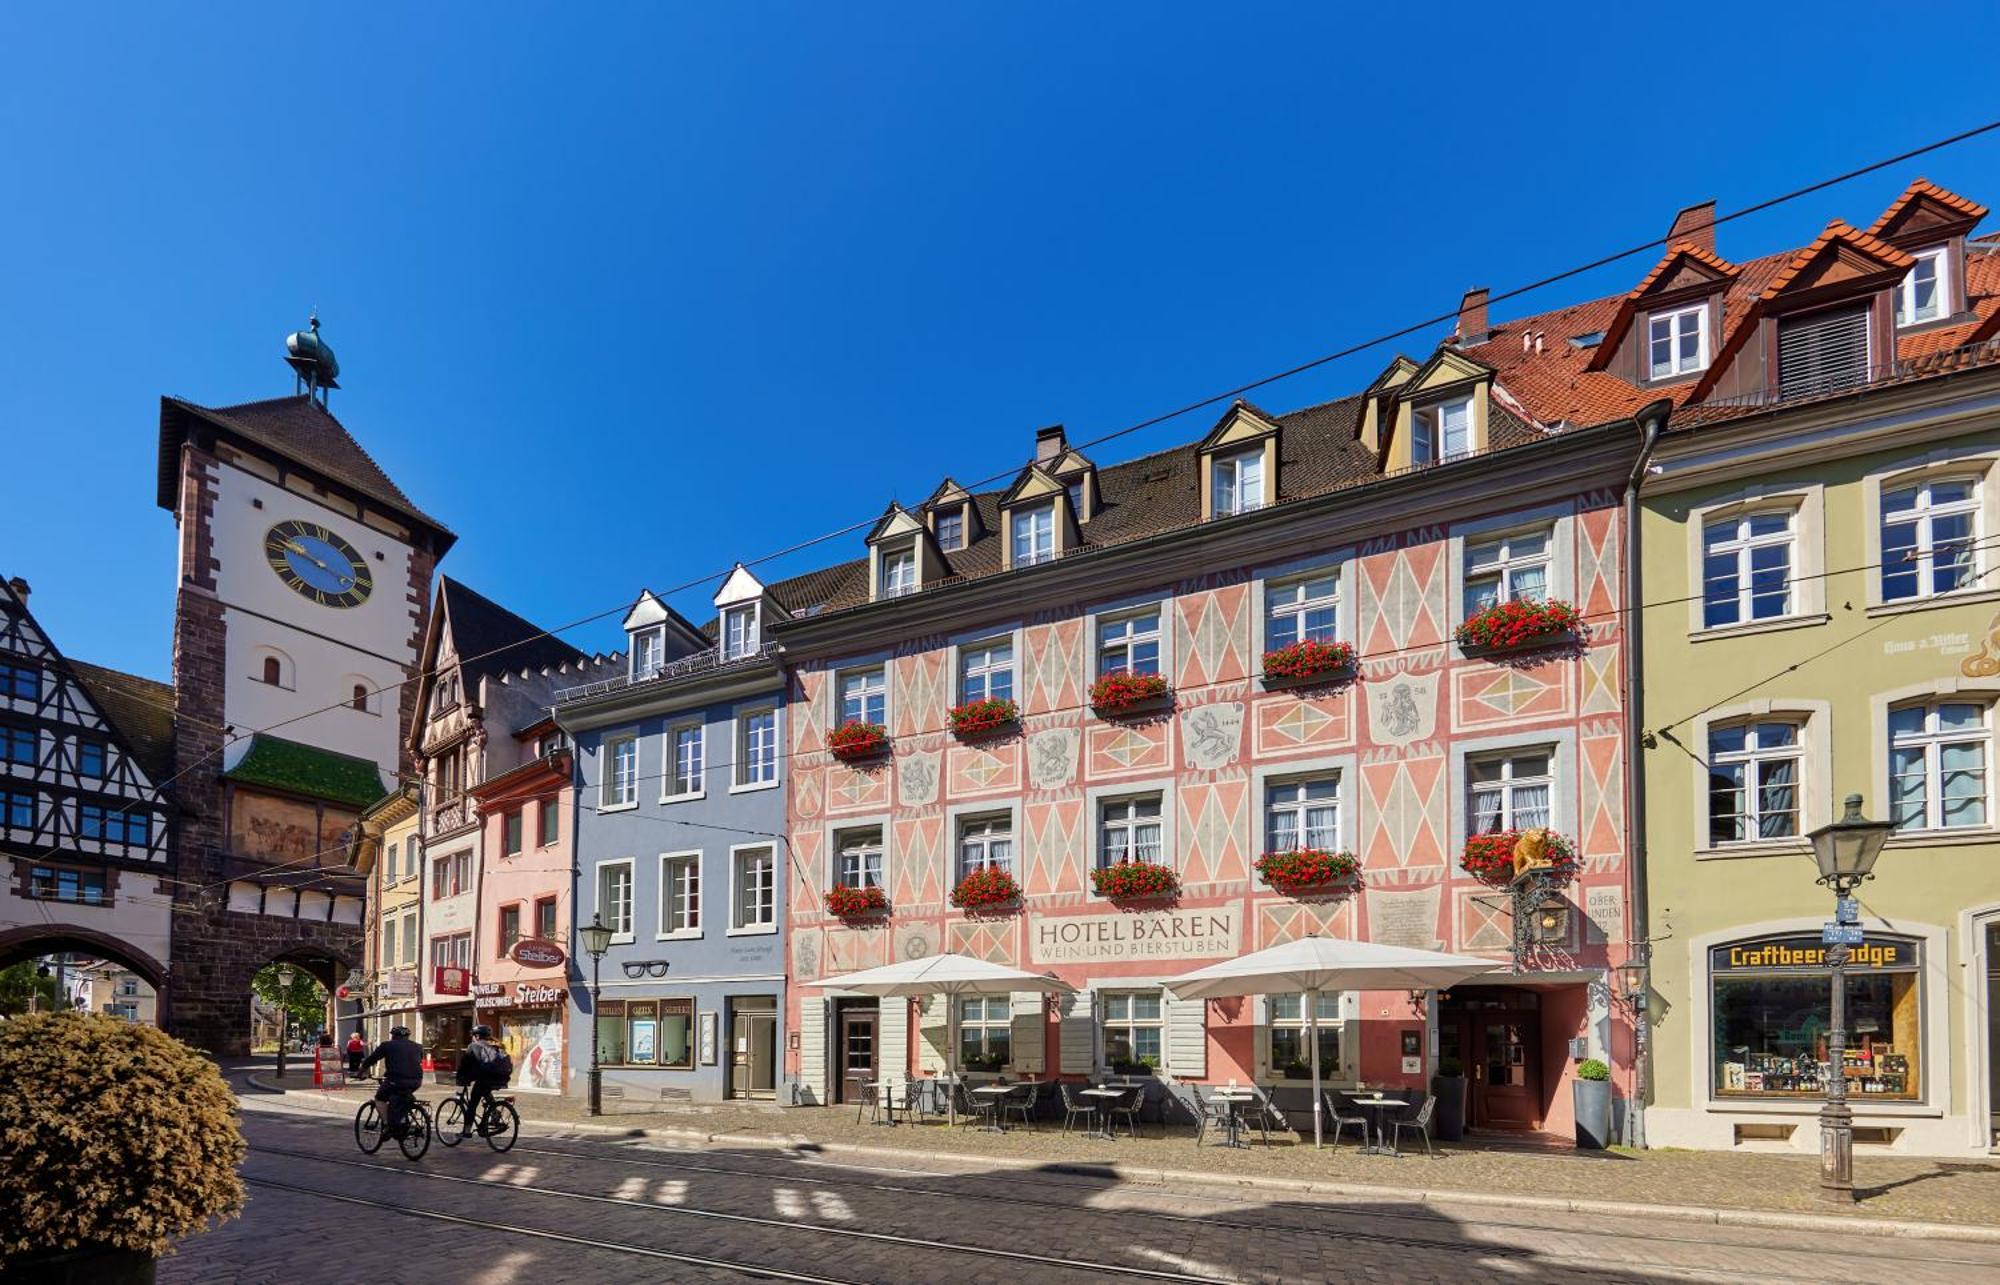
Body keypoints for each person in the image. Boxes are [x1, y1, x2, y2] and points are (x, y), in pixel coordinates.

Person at [361, 1025, 425, 1139]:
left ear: (393, 1036)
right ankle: (402, 1121)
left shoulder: (387, 1045)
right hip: (416, 1081)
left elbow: (372, 1059)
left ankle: (387, 1125)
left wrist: (361, 1071)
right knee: (401, 1099)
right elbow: (418, 1061)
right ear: (408, 1036)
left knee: (380, 1098)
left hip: (395, 1080)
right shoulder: (418, 1047)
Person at [454, 1025, 512, 1136]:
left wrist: (461, 1079)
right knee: (485, 1091)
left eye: (474, 1036)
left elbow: (465, 1065)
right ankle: (494, 1114)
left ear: (477, 1036)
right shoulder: (497, 1045)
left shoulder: (474, 1046)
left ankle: (466, 1131)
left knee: (472, 1103)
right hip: (502, 1078)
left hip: (486, 1078)